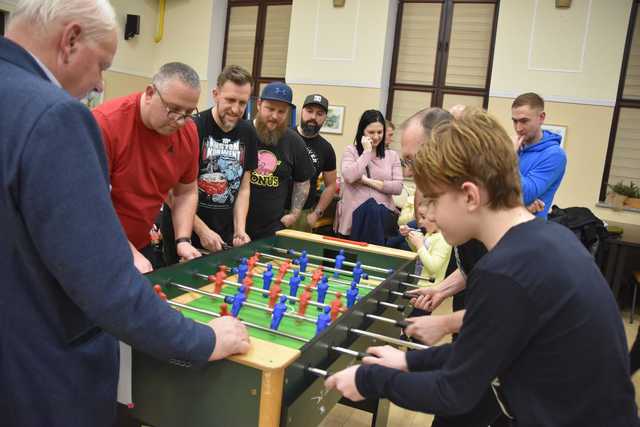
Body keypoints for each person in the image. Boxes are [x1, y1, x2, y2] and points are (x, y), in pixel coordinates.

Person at [0, 1, 249, 426]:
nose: (100, 82)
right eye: (101, 65)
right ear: (70, 39)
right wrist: (202, 340)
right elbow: (105, 284)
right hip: (41, 378)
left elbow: (184, 189)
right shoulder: (60, 117)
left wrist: (183, 238)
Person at [325, 107, 639, 426]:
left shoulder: (503, 271)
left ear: (470, 197)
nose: (429, 217)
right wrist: (408, 360)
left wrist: (368, 381)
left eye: (434, 200)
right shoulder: (546, 238)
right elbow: (481, 349)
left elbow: (453, 391)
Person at [93, 62, 203, 273]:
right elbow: (91, 204)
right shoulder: (105, 124)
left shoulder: (188, 131)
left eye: (189, 112)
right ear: (151, 93)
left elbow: (185, 192)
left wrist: (183, 240)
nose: (180, 121)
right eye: (174, 110)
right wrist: (128, 252)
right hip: (98, 244)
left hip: (140, 243)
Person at [162, 65, 257, 262]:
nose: (236, 109)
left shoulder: (248, 132)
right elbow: (170, 191)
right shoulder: (192, 127)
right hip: (184, 235)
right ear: (215, 94)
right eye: (230, 100)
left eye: (242, 103)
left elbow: (244, 187)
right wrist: (202, 231)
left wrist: (240, 230)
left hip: (223, 237)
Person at [246, 82, 314, 239]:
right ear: (259, 104)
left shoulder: (294, 141)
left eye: (281, 111)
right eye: (270, 109)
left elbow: (303, 181)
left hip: (272, 229)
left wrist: (294, 214)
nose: (275, 116)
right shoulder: (243, 132)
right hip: (234, 226)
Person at [335, 110, 403, 239]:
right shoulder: (351, 151)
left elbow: (398, 187)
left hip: (381, 220)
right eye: (371, 132)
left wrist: (366, 181)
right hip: (353, 219)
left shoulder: (392, 155)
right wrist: (366, 152)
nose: (376, 137)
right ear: (362, 132)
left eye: (380, 132)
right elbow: (349, 176)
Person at [511, 92, 567, 218]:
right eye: (515, 121)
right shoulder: (514, 147)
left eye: (524, 121)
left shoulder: (554, 155)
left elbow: (525, 194)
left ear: (541, 117)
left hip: (528, 232)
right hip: (500, 226)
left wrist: (509, 158)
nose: (518, 128)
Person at [291, 93, 337, 232]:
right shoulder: (285, 136)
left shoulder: (326, 148)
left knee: (298, 254)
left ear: (324, 118)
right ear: (302, 111)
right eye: (309, 111)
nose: (313, 117)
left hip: (303, 214)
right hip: (274, 209)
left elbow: (331, 185)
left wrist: (316, 214)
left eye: (319, 113)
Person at [399, 202, 452, 287]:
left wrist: (420, 245)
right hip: (420, 284)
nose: (420, 221)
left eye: (423, 217)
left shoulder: (443, 240)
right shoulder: (430, 234)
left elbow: (433, 268)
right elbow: (419, 253)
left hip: (431, 288)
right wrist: (410, 237)